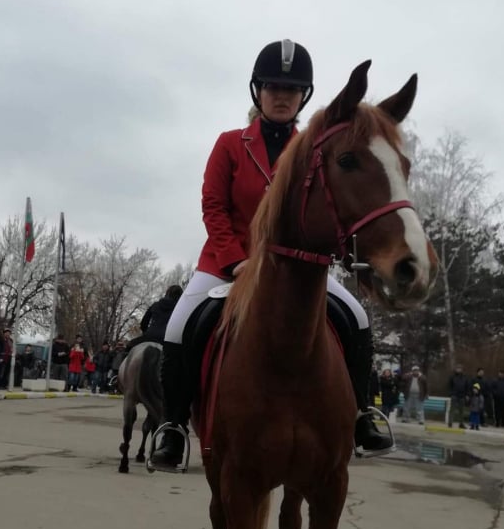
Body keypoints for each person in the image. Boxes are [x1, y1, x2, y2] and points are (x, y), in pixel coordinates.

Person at [151, 38, 394, 470]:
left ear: (304, 96)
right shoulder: (229, 144)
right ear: (257, 91)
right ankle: (172, 425)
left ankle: (362, 414)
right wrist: (235, 259)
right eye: (273, 87)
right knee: (177, 326)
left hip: (298, 266)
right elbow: (214, 207)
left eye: (292, 89)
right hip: (227, 264)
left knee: (356, 316)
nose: (281, 96)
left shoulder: (316, 150)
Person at [126, 285, 184, 353]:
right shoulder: (180, 309)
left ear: (167, 293)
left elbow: (143, 323)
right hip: (166, 341)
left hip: (149, 337)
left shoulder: (155, 305)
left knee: (128, 348)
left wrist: (147, 333)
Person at [448, 363, 469, 429]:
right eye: (457, 368)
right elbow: (449, 386)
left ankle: (461, 423)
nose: (459, 369)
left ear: (462, 370)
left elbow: (467, 387)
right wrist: (451, 393)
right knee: (452, 410)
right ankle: (450, 423)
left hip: (462, 396)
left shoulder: (465, 377)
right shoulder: (452, 377)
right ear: (455, 369)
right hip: (454, 395)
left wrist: (467, 395)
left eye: (460, 368)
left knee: (461, 411)